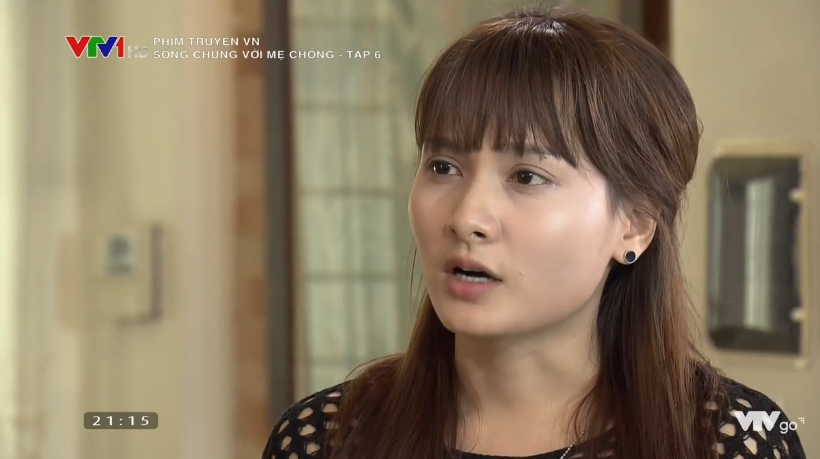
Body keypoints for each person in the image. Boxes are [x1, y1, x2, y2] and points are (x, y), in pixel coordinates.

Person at [262, 6, 806, 459]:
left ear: (636, 224)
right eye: (443, 167)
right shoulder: (328, 438)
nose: (466, 218)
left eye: (527, 176)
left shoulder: (731, 440)